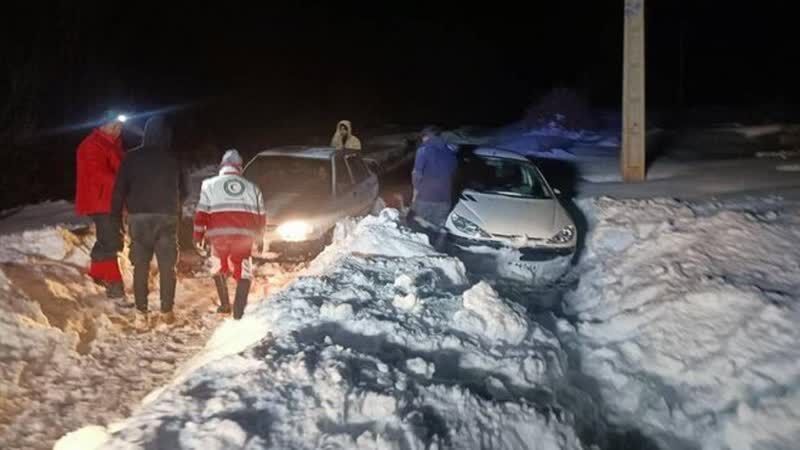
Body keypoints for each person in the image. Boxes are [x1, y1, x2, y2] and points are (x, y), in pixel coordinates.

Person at [111, 115, 186, 327]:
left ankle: (141, 314)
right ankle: (166, 312)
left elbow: (118, 191)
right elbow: (186, 190)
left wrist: (117, 217)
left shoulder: (131, 158)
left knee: (140, 268)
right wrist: (172, 203)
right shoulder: (174, 158)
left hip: (139, 218)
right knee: (167, 267)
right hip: (166, 218)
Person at [193, 149, 266, 320]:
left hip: (218, 237)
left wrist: (198, 236)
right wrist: (260, 238)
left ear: (222, 166)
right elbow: (261, 216)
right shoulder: (252, 188)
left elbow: (201, 213)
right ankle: (239, 312)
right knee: (244, 273)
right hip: (244, 237)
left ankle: (225, 305)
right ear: (239, 167)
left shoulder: (209, 184)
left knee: (218, 267)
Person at [75, 110, 126, 299]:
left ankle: (97, 273)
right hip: (100, 200)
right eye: (113, 125)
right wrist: (125, 181)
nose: (118, 129)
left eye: (120, 126)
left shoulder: (114, 145)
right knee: (111, 242)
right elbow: (99, 174)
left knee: (112, 239)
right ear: (102, 125)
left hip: (112, 200)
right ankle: (114, 286)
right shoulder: (92, 145)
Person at [411, 126, 459, 231]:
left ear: (426, 137)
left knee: (420, 230)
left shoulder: (423, 150)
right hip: (445, 199)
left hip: (425, 198)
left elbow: (417, 174)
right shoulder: (451, 152)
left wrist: (415, 195)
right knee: (436, 229)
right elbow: (453, 173)